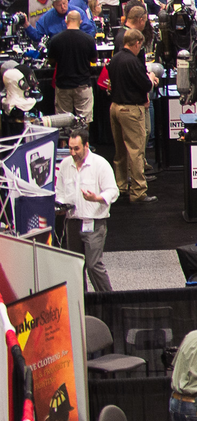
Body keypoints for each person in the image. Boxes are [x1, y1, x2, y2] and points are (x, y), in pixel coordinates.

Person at [55, 129, 117, 293]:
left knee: (93, 265)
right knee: (75, 265)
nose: (73, 152)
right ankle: (82, 303)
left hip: (94, 222)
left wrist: (97, 198)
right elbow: (60, 192)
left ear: (86, 146)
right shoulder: (65, 165)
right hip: (73, 222)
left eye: (76, 148)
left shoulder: (100, 164)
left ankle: (108, 299)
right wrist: (60, 206)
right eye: (70, 148)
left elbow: (113, 191)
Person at [106, 27, 153, 202]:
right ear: (137, 43)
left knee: (120, 151)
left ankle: (121, 186)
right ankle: (138, 190)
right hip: (130, 110)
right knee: (136, 151)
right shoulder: (133, 62)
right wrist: (151, 78)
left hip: (115, 107)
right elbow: (145, 85)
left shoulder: (114, 59)